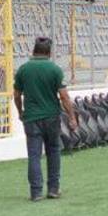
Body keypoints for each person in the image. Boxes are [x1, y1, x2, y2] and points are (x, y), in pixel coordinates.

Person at [13, 37, 78, 201]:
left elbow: (16, 95)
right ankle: (53, 189)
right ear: (49, 52)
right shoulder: (55, 69)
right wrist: (72, 117)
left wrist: (20, 112)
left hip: (32, 118)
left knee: (34, 155)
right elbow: (64, 96)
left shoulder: (23, 69)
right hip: (51, 117)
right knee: (53, 152)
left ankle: (36, 192)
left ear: (33, 51)